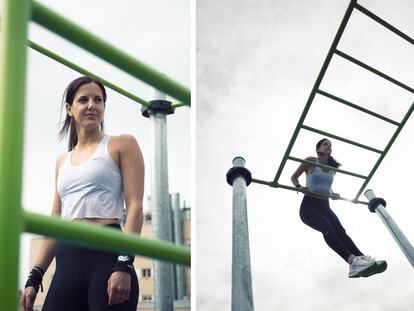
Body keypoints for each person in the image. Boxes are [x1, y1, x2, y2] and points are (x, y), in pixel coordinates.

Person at [20, 76, 144, 311]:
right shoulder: (61, 162)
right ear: (69, 108)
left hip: (107, 256)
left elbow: (136, 207)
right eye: (83, 100)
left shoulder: (122, 144)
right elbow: (54, 222)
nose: (91, 105)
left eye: (98, 100)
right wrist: (35, 276)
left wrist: (124, 263)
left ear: (104, 108)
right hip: (66, 260)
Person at [291, 138, 386, 278]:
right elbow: (294, 177)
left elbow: (326, 187)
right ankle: (352, 262)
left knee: (341, 231)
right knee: (327, 227)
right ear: (318, 149)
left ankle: (362, 259)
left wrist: (332, 194)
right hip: (309, 206)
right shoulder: (310, 160)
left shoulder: (332, 169)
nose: (329, 146)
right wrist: (299, 187)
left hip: (325, 206)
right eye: (325, 144)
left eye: (330, 145)